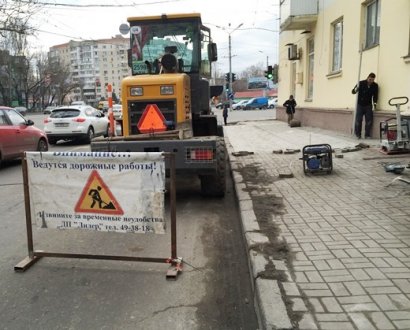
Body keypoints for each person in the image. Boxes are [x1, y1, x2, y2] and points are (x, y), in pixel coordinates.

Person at [352, 72, 378, 139]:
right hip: (360, 105)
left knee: (369, 121)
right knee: (358, 120)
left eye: (372, 80)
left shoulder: (375, 86)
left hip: (368, 105)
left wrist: (375, 104)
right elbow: (353, 92)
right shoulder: (361, 83)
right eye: (369, 79)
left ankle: (367, 135)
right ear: (367, 78)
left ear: (374, 79)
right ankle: (358, 134)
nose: (370, 81)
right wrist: (356, 89)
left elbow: (375, 96)